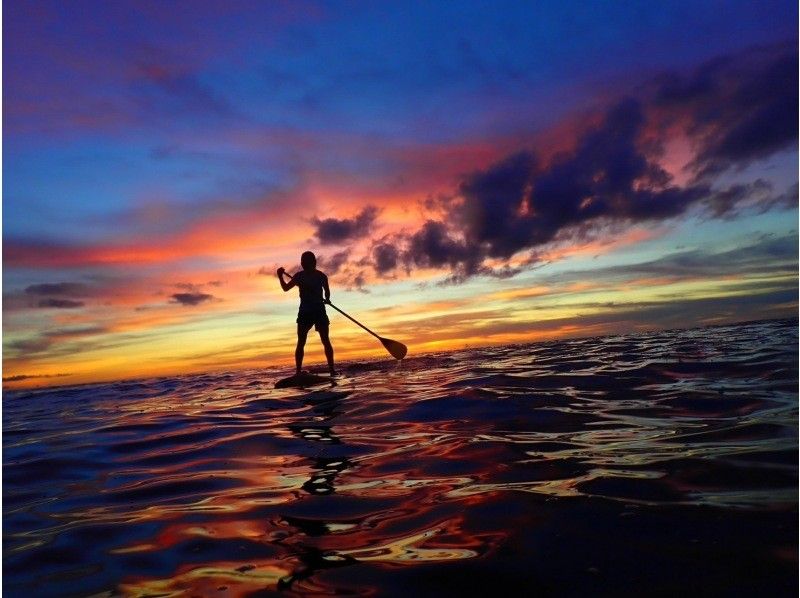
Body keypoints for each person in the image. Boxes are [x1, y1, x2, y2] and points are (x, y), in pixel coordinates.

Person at [277, 251, 336, 376]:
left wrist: (327, 298)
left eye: (307, 262)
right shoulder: (299, 277)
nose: (305, 264)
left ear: (313, 262)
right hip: (306, 312)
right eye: (303, 262)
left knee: (325, 340)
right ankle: (298, 372)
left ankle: (332, 370)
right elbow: (286, 288)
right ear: (302, 264)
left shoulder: (321, 276)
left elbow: (327, 291)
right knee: (302, 341)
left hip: (318, 310)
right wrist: (280, 276)